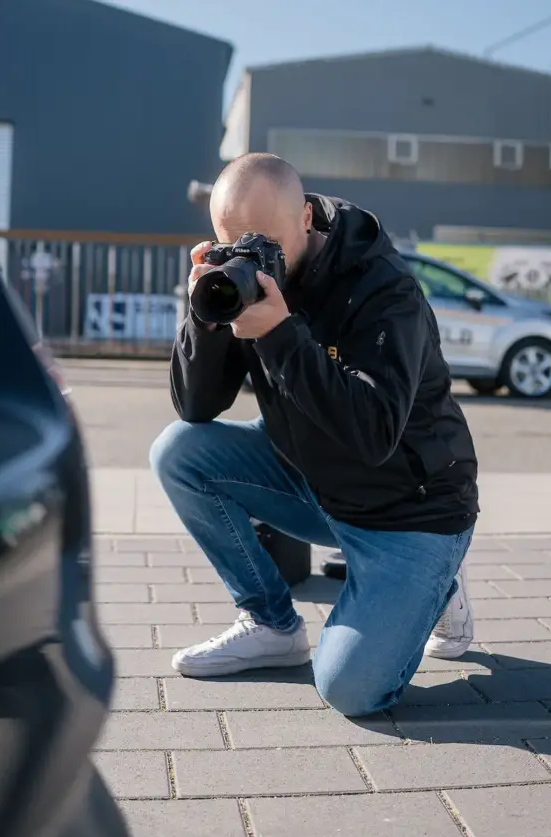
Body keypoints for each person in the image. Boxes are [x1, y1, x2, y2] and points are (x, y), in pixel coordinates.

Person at [150, 153, 478, 717]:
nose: (255, 260)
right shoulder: (247, 280)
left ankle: (437, 582)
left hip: (408, 513)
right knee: (180, 453)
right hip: (315, 484)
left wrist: (278, 334)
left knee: (349, 690)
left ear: (306, 217)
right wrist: (204, 319)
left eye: (265, 242)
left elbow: (373, 434)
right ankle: (273, 625)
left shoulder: (383, 290)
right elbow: (197, 407)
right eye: (235, 243)